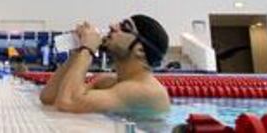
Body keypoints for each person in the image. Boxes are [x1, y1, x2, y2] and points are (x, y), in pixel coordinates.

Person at [39, 15, 170, 115]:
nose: (112, 26)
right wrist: (78, 49)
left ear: (140, 50)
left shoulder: (146, 91)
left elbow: (67, 103)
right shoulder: (108, 81)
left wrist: (87, 49)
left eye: (124, 27)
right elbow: (49, 97)